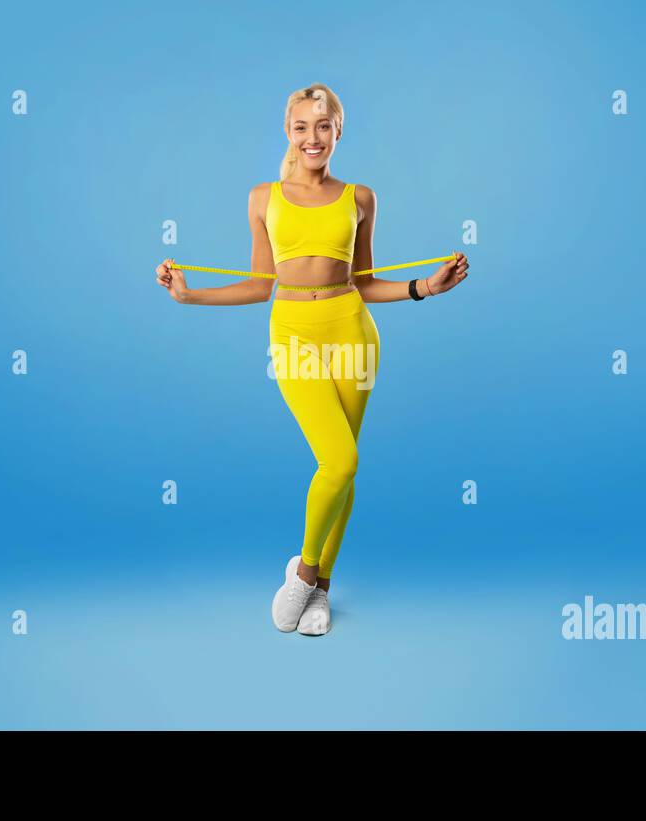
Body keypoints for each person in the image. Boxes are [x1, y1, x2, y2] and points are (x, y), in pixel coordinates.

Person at [156, 82, 469, 636]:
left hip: (353, 332)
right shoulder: (262, 198)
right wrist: (188, 295)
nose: (312, 138)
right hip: (294, 336)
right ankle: (302, 574)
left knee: (345, 468)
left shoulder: (361, 198)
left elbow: (365, 284)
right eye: (301, 127)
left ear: (338, 131)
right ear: (288, 132)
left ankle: (321, 592)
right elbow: (259, 287)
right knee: (339, 461)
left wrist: (425, 287)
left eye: (323, 126)